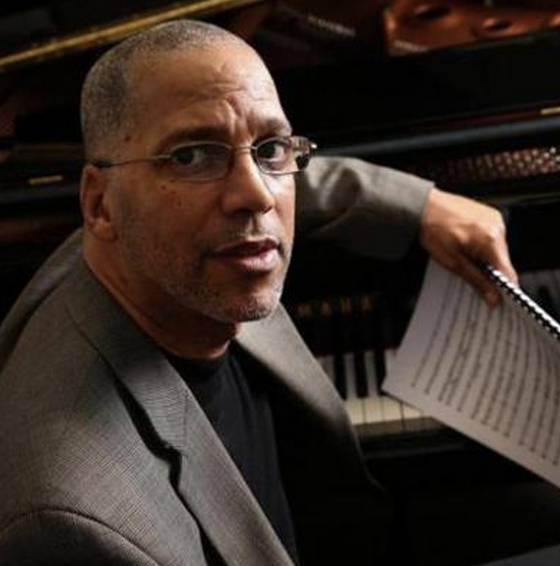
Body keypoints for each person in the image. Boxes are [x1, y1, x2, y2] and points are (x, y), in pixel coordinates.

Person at [0, 19, 516, 566]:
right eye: (192, 156)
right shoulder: (73, 523)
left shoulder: (148, 234)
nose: (257, 196)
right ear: (99, 205)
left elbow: (258, 169)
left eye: (270, 149)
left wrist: (416, 206)